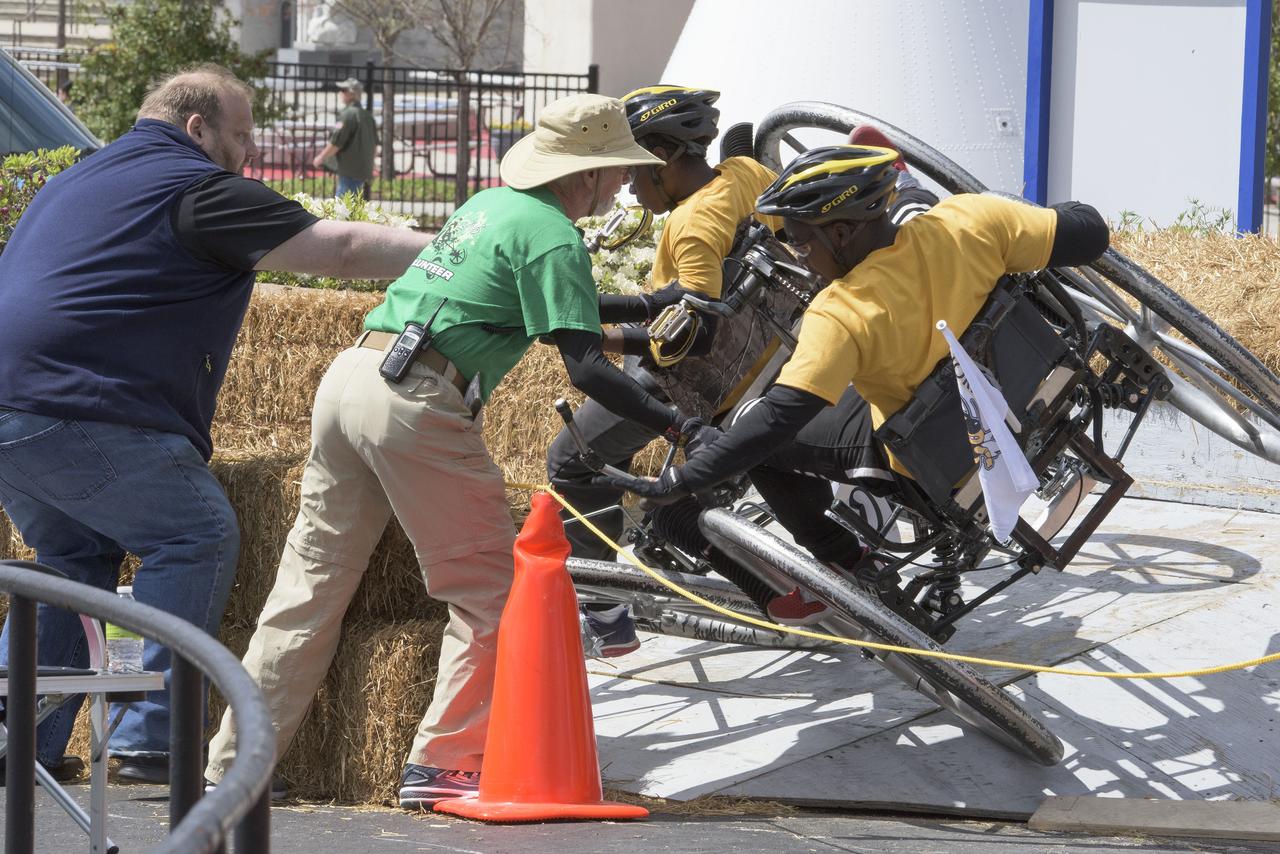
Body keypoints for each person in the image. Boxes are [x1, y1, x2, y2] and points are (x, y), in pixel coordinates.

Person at [203, 93, 685, 810]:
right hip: (417, 406)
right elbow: (582, 364)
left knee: (307, 591)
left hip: (351, 381)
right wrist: (676, 423)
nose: (622, 184)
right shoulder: (554, 235)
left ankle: (236, 766)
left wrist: (648, 311)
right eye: (617, 170)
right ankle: (446, 762)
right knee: (496, 596)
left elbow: (543, 310)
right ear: (584, 174)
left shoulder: (488, 206)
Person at [0, 63, 432, 784]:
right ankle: (151, 736)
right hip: (77, 407)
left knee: (72, 567)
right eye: (240, 136)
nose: (247, 154)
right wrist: (466, 246)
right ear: (197, 128)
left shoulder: (74, 179)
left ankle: (17, 742)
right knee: (192, 533)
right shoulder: (198, 190)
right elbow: (345, 250)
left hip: (11, 414)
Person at [624, 144, 1111, 625]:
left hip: (937, 461)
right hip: (1033, 397)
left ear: (840, 231)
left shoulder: (841, 312)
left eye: (800, 240)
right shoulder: (969, 221)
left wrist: (683, 479)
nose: (798, 252)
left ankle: (848, 563)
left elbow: (776, 419)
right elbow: (1088, 232)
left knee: (748, 431)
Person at [545, 85, 784, 655]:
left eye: (634, 166)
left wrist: (597, 335)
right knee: (613, 440)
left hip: (709, 380)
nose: (626, 180)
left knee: (572, 460)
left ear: (664, 154)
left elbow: (695, 333)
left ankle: (606, 618)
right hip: (773, 351)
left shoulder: (691, 226)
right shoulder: (745, 172)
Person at [312, 77, 377, 200]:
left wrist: (321, 158)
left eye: (343, 90)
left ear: (351, 93)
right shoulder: (368, 116)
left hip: (349, 171)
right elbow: (374, 147)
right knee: (353, 208)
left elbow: (336, 143)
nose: (340, 93)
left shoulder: (347, 115)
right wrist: (370, 166)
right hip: (362, 171)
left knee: (341, 209)